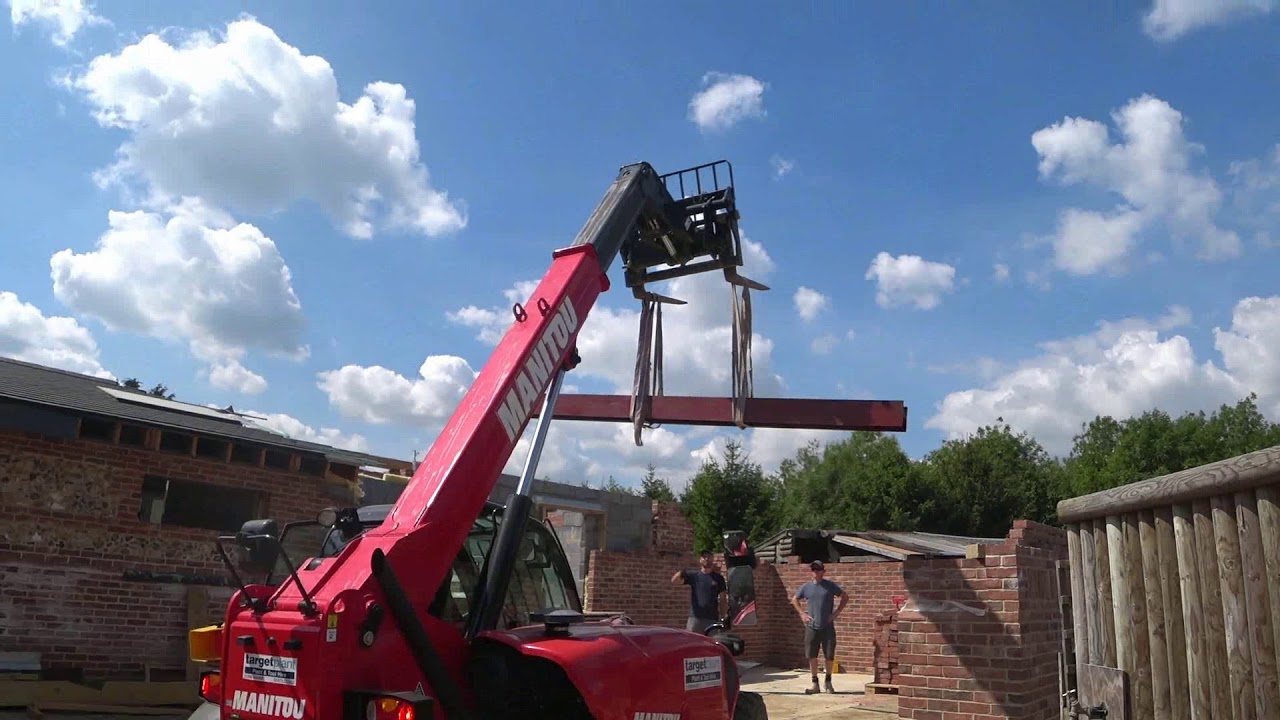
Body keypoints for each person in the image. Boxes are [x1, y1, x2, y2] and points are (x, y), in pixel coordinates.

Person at [790, 560, 847, 694]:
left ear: (823, 571)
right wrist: (802, 614)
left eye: (819, 569)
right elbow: (794, 599)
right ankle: (815, 683)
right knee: (812, 655)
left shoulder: (830, 586)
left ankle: (828, 682)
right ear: (812, 571)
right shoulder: (806, 587)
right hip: (812, 626)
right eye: (814, 570)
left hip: (827, 626)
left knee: (829, 655)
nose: (816, 572)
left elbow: (845, 596)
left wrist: (836, 612)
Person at [671, 550, 726, 634]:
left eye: (709, 556)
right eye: (704, 557)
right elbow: (674, 581)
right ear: (700, 560)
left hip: (712, 619)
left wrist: (723, 617)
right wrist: (682, 571)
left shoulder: (718, 578)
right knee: (692, 643)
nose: (707, 559)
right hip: (695, 618)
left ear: (712, 559)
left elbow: (723, 599)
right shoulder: (694, 576)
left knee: (712, 644)